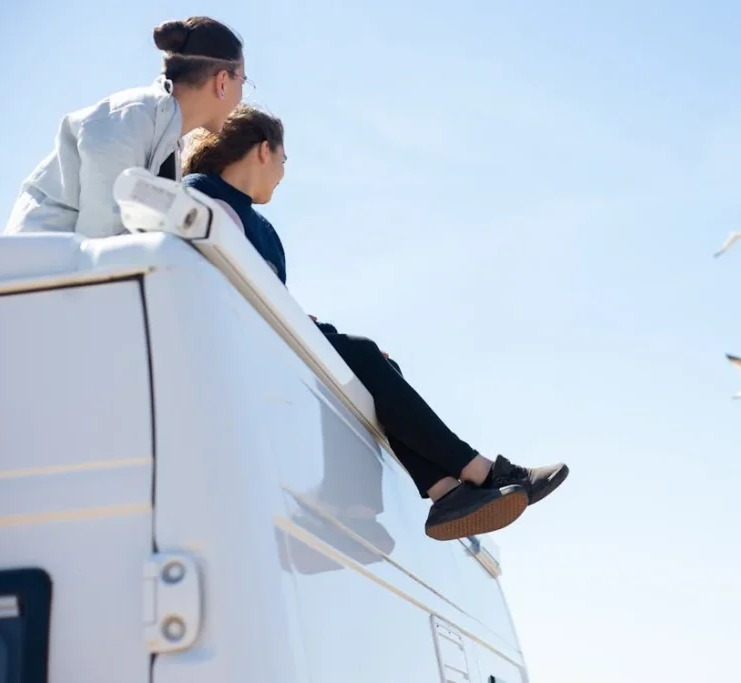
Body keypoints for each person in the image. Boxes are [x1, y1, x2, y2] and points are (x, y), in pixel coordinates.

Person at [181, 105, 570, 542]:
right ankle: (483, 472)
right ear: (264, 151)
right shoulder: (200, 195)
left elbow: (275, 302)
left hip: (271, 336)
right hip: (236, 341)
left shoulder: (262, 227)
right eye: (284, 161)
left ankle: (444, 493)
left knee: (380, 364)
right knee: (363, 352)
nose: (283, 174)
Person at [5, 16, 252, 238]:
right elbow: (102, 241)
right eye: (243, 80)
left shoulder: (163, 133)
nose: (242, 96)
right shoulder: (133, 116)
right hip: (34, 274)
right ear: (222, 81)